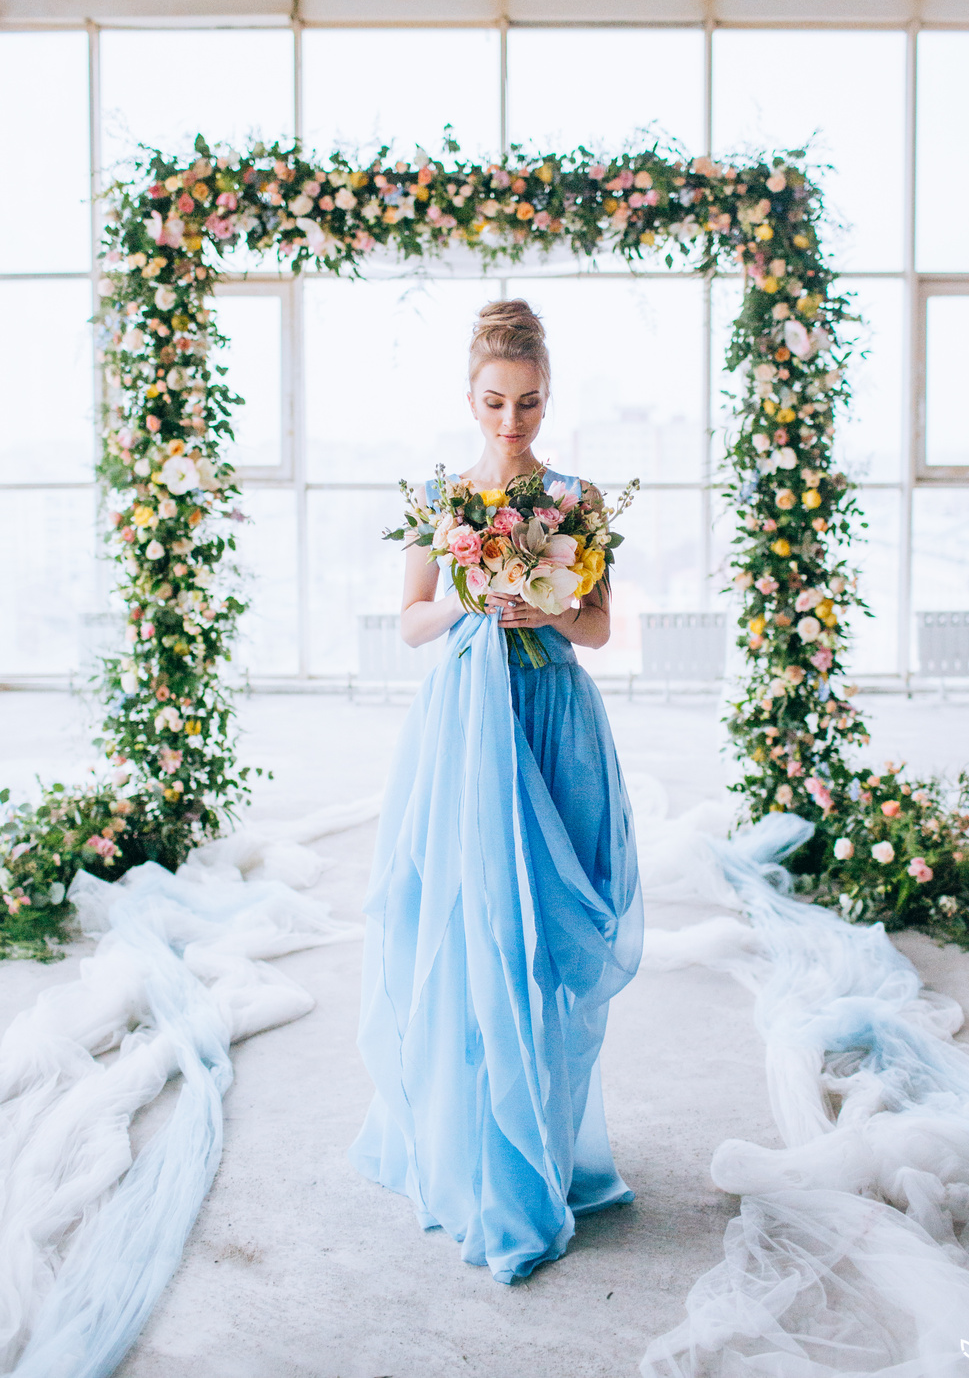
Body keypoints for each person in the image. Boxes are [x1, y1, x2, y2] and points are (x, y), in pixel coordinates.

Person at [348, 299, 643, 1284]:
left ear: (548, 397)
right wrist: (476, 596)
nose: (510, 424)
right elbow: (410, 622)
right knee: (469, 928)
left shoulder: (576, 495)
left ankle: (541, 1151)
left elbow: (598, 631)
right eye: (494, 403)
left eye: (528, 404)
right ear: (468, 397)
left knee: (551, 935)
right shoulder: (441, 495)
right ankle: (475, 1152)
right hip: (464, 730)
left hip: (550, 717)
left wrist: (545, 603)